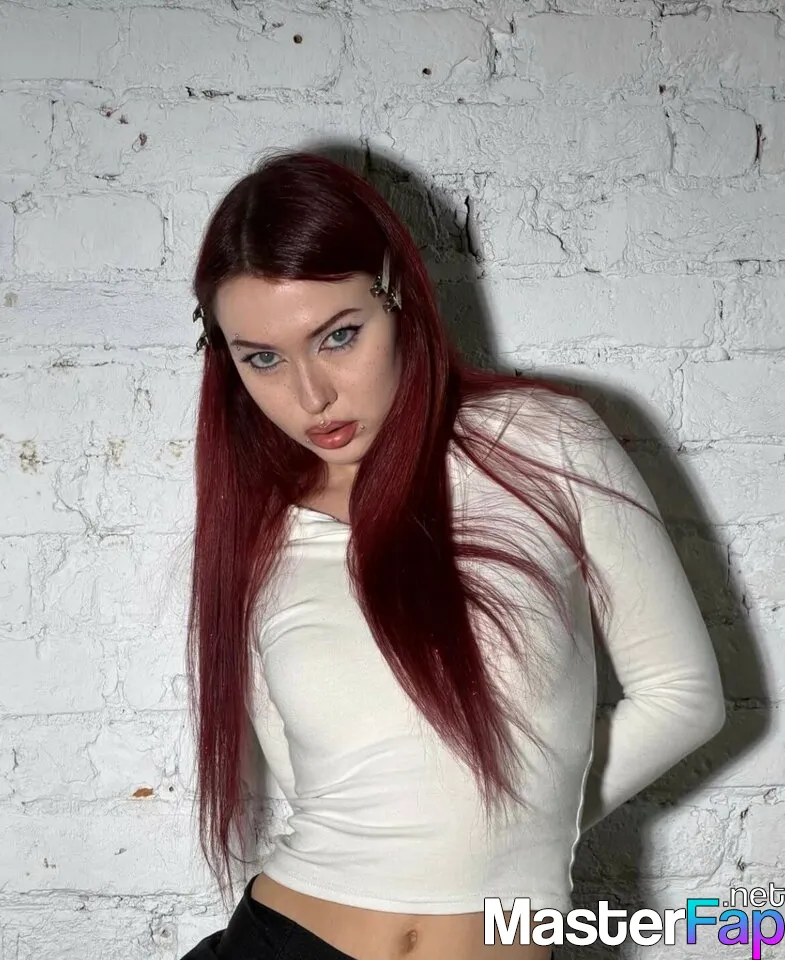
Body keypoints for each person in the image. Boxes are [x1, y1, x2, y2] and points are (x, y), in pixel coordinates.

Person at [178, 150, 725, 960]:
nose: (310, 394)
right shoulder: (259, 535)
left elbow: (684, 696)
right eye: (262, 357)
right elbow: (315, 790)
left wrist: (519, 819)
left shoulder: (540, 442)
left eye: (339, 336)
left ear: (398, 294)